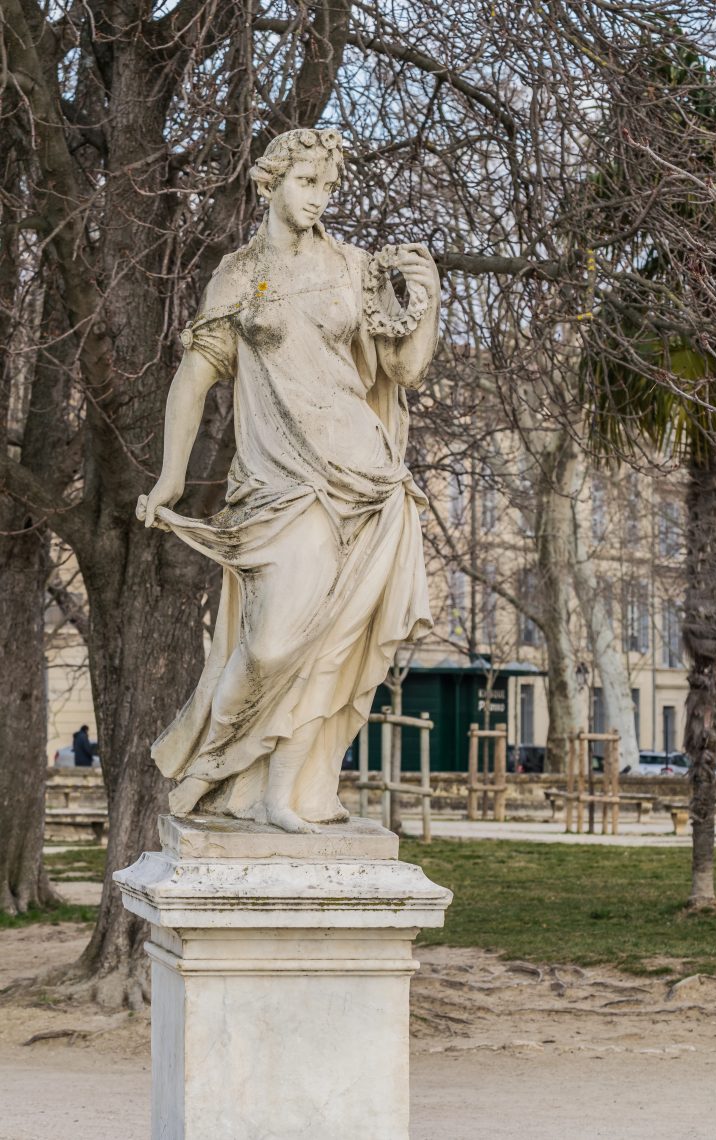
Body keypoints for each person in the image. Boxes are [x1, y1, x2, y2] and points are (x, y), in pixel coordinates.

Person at [138, 128, 440, 833]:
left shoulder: (351, 266)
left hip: (365, 476)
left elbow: (402, 371)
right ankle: (214, 767)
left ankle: (285, 792)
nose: (319, 198)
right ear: (270, 181)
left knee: (329, 645)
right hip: (282, 486)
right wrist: (170, 479)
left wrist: (426, 298)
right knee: (274, 642)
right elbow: (194, 378)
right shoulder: (241, 275)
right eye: (307, 183)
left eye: (329, 187)